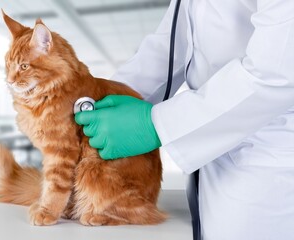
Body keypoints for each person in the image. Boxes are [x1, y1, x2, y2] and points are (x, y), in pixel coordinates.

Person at [75, 0, 294, 239]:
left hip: (267, 165)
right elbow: (170, 47)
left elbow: (276, 73)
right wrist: (104, 100)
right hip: (213, 158)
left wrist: (154, 124)